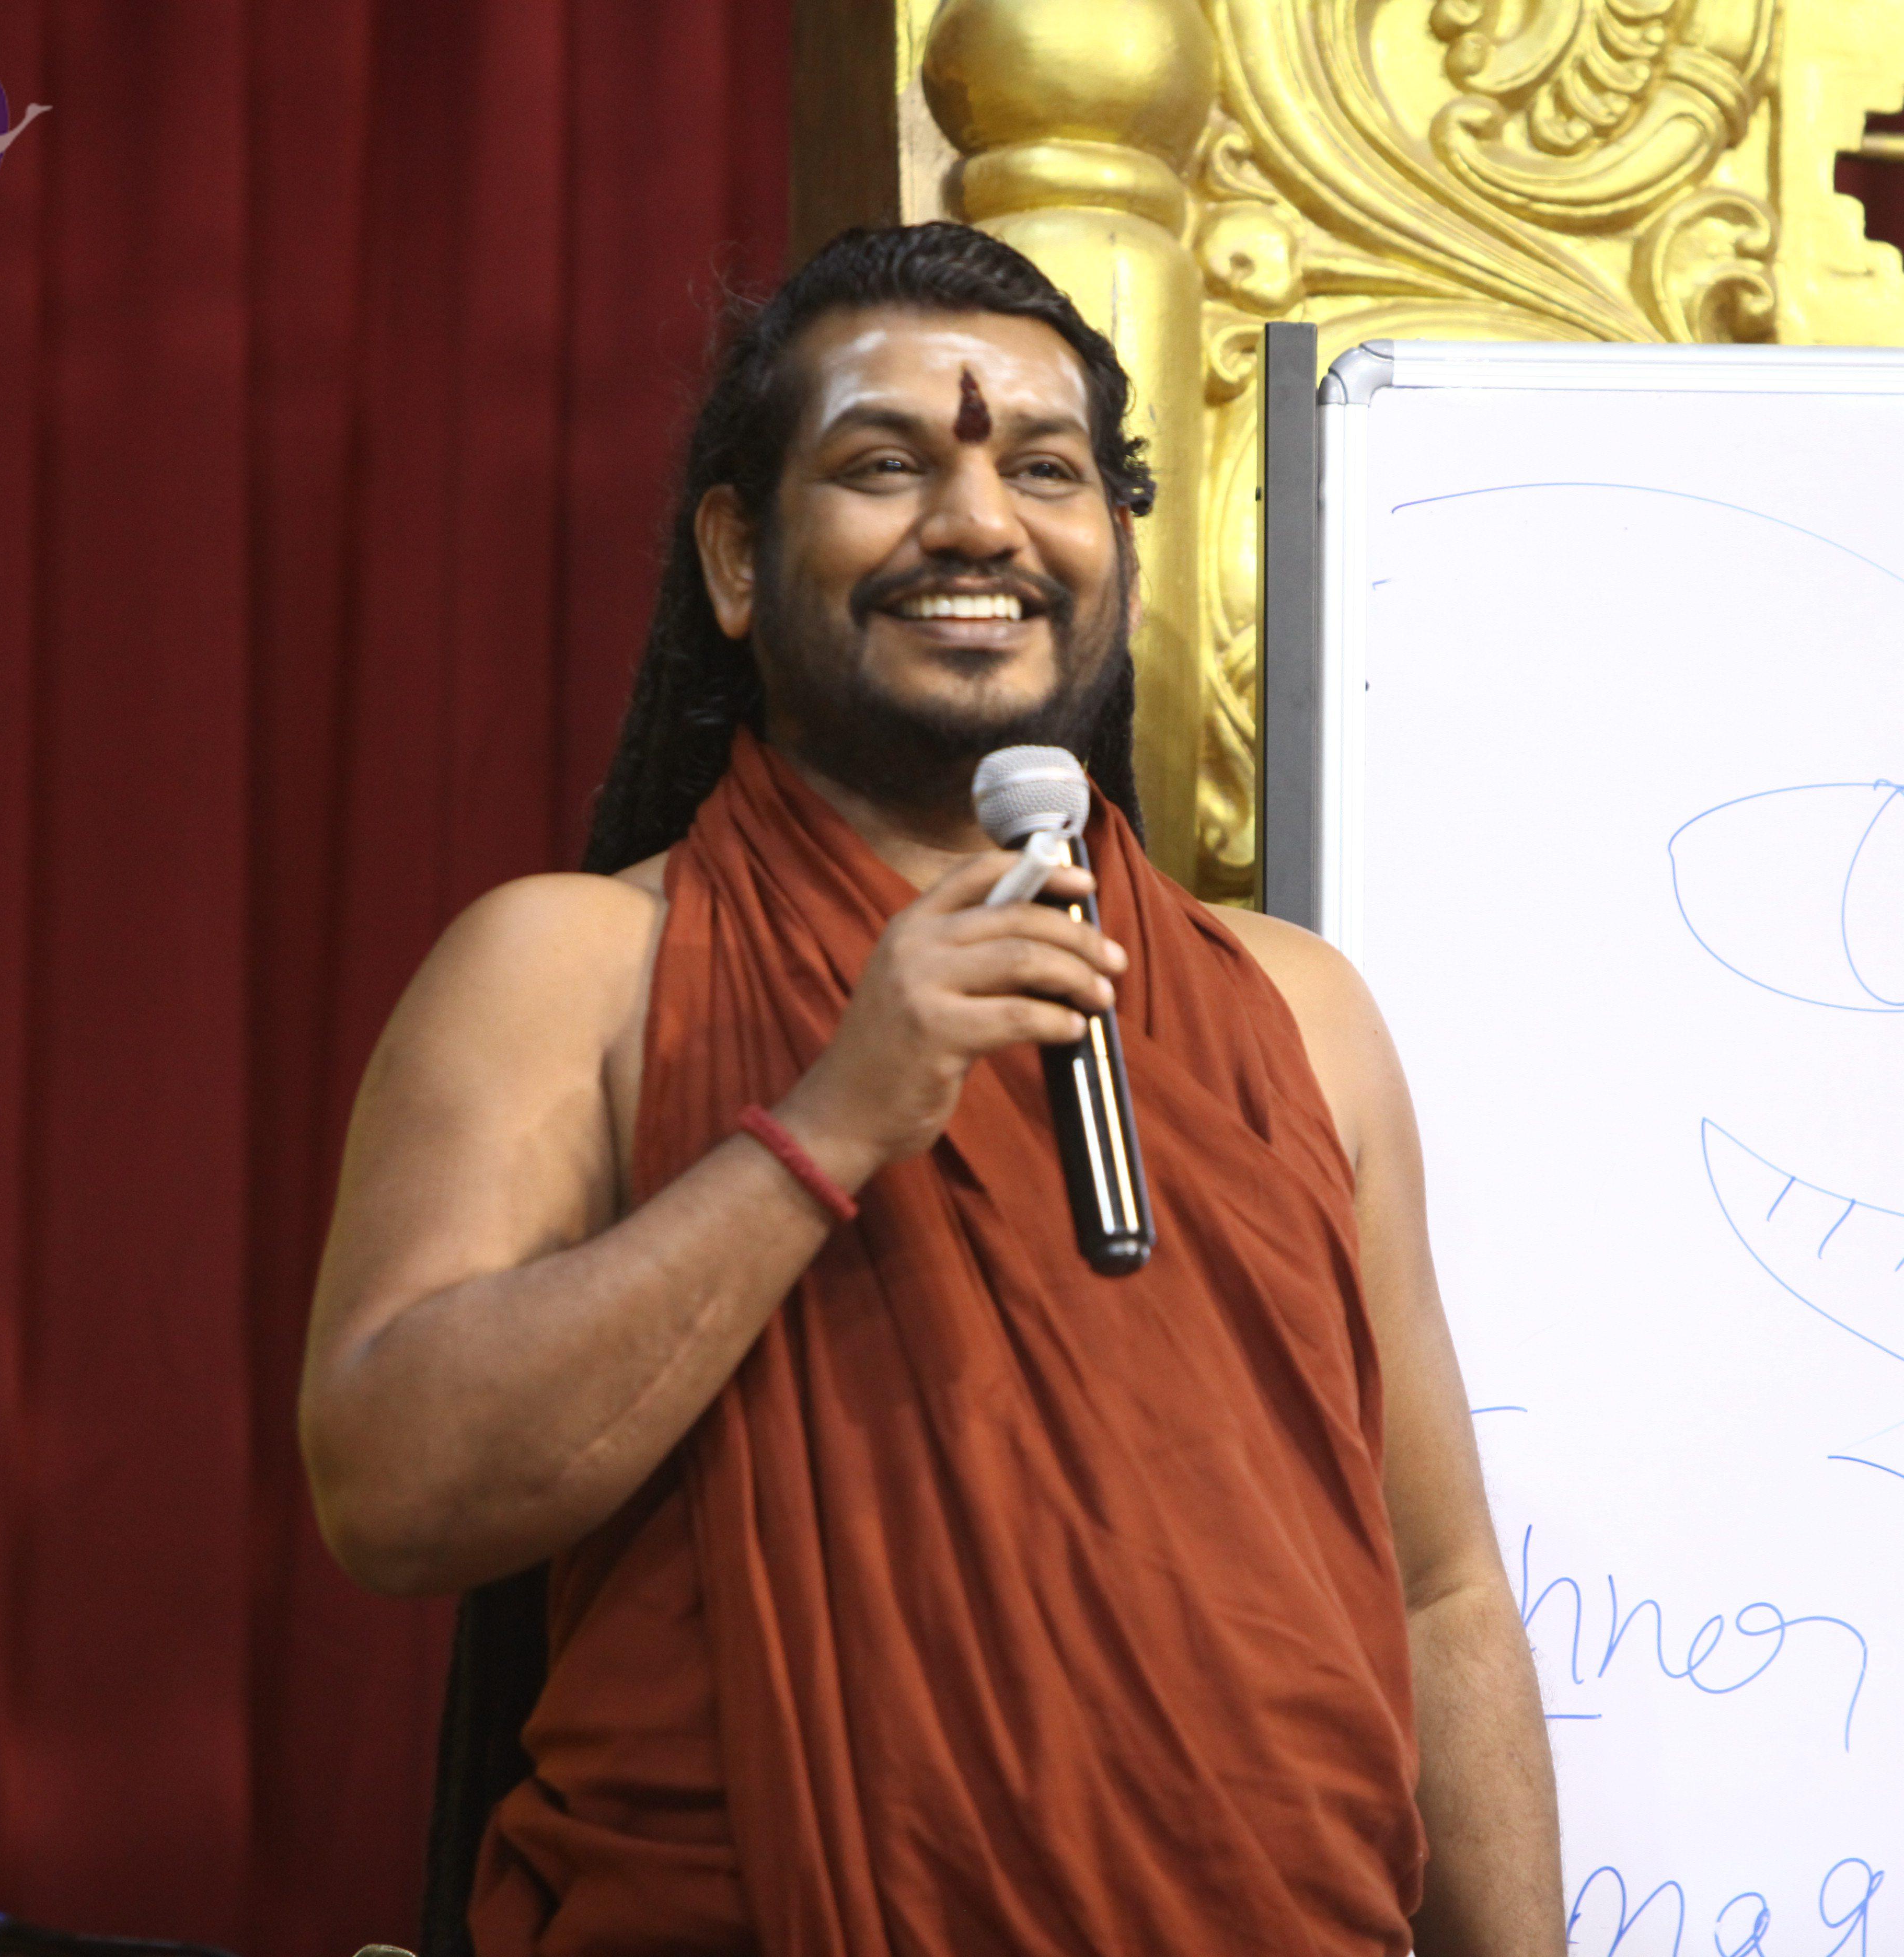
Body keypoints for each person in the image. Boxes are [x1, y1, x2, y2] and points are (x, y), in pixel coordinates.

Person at [298, 224, 1560, 1957]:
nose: (978, 525)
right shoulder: (573, 966)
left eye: (1044, 470)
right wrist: (826, 1126)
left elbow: (1439, 1589)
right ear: (737, 558)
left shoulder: (1297, 1011)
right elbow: (392, 1490)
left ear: (1122, 557)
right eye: (886, 466)